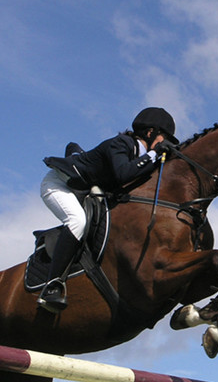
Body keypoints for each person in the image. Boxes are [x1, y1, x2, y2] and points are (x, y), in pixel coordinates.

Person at [38, 107, 178, 312]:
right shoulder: (121, 143)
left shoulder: (142, 156)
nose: (164, 143)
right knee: (77, 221)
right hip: (59, 185)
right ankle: (52, 285)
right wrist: (155, 153)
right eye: (163, 137)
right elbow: (123, 174)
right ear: (150, 133)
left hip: (85, 190)